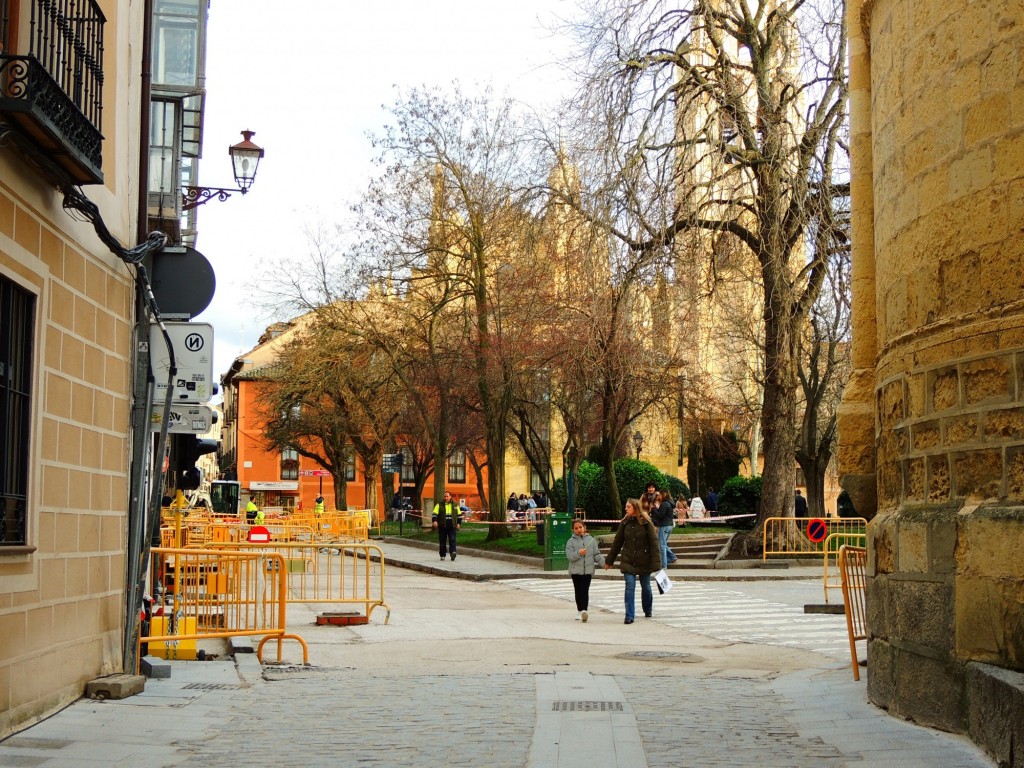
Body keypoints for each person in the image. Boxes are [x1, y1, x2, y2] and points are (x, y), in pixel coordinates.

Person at [604, 498, 661, 624]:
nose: (626, 509)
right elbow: (617, 543)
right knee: (630, 587)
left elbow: (654, 544)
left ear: (635, 508)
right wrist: (609, 561)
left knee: (646, 587)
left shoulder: (646, 523)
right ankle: (629, 615)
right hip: (628, 560)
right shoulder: (624, 523)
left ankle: (648, 609)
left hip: (644, 560)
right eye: (626, 506)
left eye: (628, 506)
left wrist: (657, 564)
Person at [565, 520, 605, 622]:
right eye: (576, 528)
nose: (579, 530)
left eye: (580, 527)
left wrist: (604, 563)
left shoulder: (591, 540)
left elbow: (596, 554)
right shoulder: (570, 541)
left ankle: (584, 611)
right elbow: (569, 556)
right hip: (576, 571)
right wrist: (579, 553)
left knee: (584, 590)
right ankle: (579, 610)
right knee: (578, 591)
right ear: (573, 530)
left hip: (588, 571)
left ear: (584, 527)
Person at [432, 490, 462, 561]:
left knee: (452, 540)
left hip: (452, 526)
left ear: (450, 497)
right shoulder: (439, 505)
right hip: (442, 526)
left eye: (447, 496)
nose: (446, 498)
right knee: (442, 541)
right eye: (445, 496)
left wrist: (459, 523)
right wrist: (435, 521)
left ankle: (453, 553)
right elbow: (434, 514)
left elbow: (459, 515)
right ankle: (442, 555)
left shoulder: (455, 505)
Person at [651, 489, 678, 567]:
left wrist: (654, 509)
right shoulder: (669, 503)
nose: (658, 496)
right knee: (663, 544)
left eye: (659, 495)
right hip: (669, 525)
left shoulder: (665, 504)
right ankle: (672, 557)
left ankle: (664, 565)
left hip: (664, 525)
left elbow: (660, 515)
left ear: (664, 495)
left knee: (662, 545)